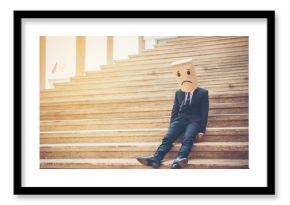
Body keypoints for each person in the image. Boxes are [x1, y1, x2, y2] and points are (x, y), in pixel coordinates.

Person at [136, 58, 209, 169]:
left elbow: (204, 112)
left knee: (188, 139)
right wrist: (172, 125)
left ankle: (180, 159)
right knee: (168, 138)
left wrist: (201, 130)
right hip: (180, 119)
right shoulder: (178, 92)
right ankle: (156, 159)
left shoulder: (203, 93)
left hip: (194, 120)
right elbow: (175, 110)